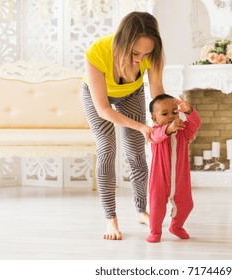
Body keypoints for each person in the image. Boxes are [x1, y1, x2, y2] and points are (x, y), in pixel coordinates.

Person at [81, 11, 166, 240]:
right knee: (107, 150)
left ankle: (141, 210)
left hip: (130, 94)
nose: (141, 59)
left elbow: (156, 91)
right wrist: (140, 126)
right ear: (122, 42)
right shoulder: (97, 51)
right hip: (98, 98)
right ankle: (111, 219)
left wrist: (165, 121)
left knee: (137, 153)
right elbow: (103, 110)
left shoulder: (152, 54)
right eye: (135, 53)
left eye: (146, 53)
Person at [146, 94, 201, 243]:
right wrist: (168, 129)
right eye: (164, 114)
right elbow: (158, 136)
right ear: (154, 118)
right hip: (159, 179)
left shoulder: (183, 131)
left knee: (187, 204)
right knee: (157, 207)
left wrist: (188, 110)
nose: (171, 116)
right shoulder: (154, 132)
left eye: (174, 112)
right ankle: (155, 231)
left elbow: (196, 123)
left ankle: (176, 226)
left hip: (180, 178)